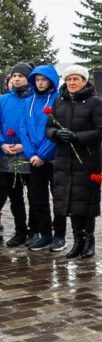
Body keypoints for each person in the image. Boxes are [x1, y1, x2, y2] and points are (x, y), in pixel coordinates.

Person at [45, 64, 102, 259]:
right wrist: (57, 134)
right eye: (69, 79)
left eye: (76, 79)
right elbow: (48, 128)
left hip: (86, 159)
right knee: (69, 200)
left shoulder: (94, 102)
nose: (72, 82)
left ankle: (89, 240)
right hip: (64, 159)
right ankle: (77, 240)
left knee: (85, 201)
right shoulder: (59, 101)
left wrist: (78, 137)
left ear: (84, 81)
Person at [22, 65, 64, 252]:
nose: (40, 83)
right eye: (37, 80)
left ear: (51, 81)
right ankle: (45, 233)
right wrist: (31, 153)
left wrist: (42, 154)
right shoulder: (29, 101)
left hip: (53, 157)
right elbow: (23, 128)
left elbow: (58, 129)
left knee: (58, 198)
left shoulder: (58, 100)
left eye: (43, 80)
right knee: (37, 197)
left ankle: (59, 235)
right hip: (34, 158)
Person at [0, 63, 32, 247]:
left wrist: (24, 146)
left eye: (21, 76)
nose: (17, 79)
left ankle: (35, 230)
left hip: (29, 153)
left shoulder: (34, 99)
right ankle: (20, 231)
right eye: (14, 75)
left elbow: (38, 127)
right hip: (7, 153)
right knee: (15, 196)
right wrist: (2, 143)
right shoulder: (3, 100)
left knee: (34, 196)